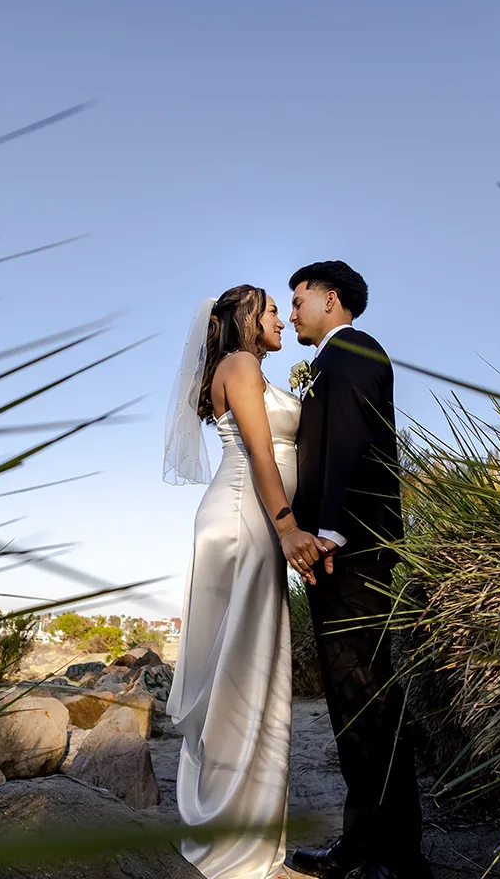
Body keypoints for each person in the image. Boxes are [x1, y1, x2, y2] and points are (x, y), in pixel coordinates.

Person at [164, 284, 327, 879]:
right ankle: (234, 839)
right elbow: (260, 450)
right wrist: (287, 528)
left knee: (248, 665)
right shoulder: (238, 364)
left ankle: (243, 826)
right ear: (244, 320)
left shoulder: (248, 368)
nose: (282, 318)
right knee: (241, 667)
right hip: (244, 518)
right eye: (272, 310)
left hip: (249, 518)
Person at [286, 261, 431, 879]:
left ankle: (397, 858)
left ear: (331, 298)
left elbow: (347, 442)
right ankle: (364, 844)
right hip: (343, 549)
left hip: (352, 547)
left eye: (298, 299)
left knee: (366, 693)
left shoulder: (354, 351)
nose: (292, 311)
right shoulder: (334, 357)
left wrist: (327, 531)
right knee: (352, 699)